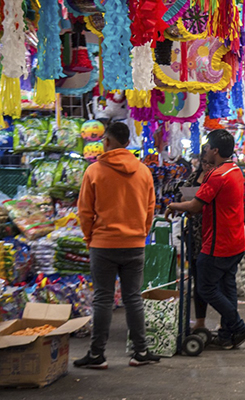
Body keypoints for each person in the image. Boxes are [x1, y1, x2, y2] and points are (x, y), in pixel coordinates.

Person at [76, 122, 160, 368]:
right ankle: (140, 352)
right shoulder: (143, 171)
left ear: (107, 141)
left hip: (102, 244)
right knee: (133, 298)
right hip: (134, 243)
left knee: (103, 298)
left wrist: (90, 237)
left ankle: (97, 354)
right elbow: (149, 209)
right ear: (126, 142)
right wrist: (140, 234)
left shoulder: (94, 171)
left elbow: (84, 211)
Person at [168, 129, 245, 349]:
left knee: (205, 288)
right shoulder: (234, 170)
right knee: (227, 288)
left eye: (207, 147)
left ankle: (238, 326)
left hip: (218, 242)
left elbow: (196, 206)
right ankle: (227, 335)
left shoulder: (217, 175)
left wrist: (174, 206)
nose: (204, 151)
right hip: (234, 241)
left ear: (215, 150)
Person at [183, 145, 211, 330]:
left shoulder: (216, 179)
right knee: (197, 278)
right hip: (193, 233)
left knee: (208, 280)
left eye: (210, 163)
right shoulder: (194, 177)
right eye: (204, 162)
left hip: (210, 233)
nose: (207, 166)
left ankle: (230, 322)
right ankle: (199, 321)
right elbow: (183, 193)